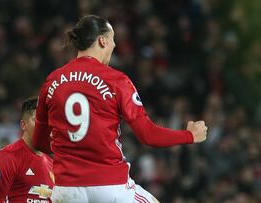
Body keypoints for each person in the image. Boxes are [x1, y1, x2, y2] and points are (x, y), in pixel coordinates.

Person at [32, 15, 208, 203]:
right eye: (113, 39)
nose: (114, 45)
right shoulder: (116, 81)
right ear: (102, 40)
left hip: (66, 190)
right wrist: (189, 136)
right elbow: (147, 134)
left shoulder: (52, 81)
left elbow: (40, 143)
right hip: (109, 187)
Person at [0, 97, 54, 203]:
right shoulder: (6, 158)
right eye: (38, 120)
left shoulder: (53, 165)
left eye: (47, 121)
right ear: (23, 124)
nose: (44, 126)